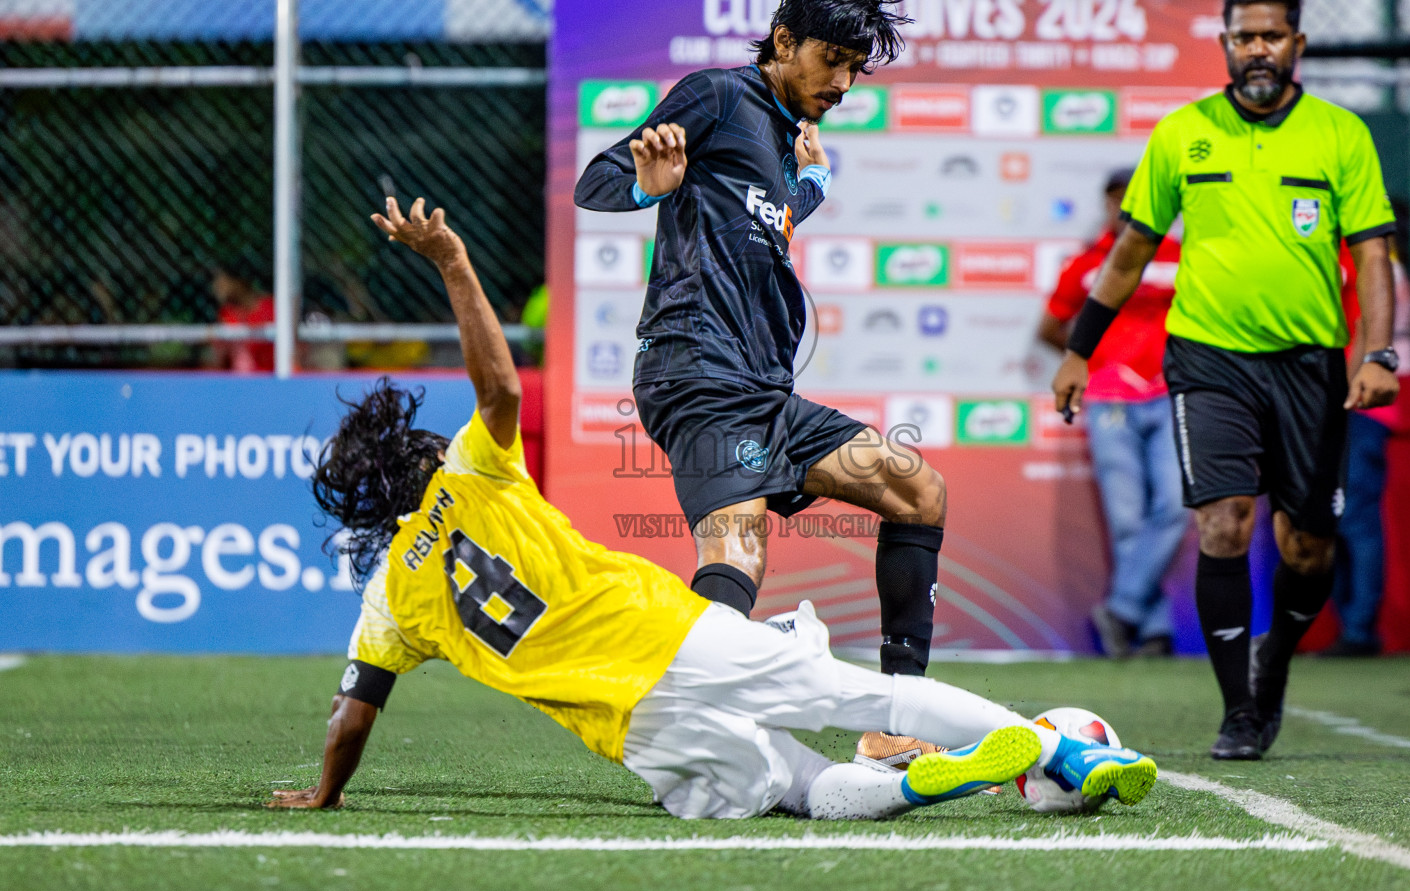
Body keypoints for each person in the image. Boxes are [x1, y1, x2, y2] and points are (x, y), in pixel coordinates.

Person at [267, 196, 1159, 819]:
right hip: (667, 638)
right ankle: (1064, 754)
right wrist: (454, 263)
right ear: (417, 457)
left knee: (804, 793)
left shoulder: (386, 600)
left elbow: (353, 716)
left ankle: (934, 784)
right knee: (871, 696)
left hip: (638, 735)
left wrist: (327, 792)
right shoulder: (469, 473)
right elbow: (500, 387)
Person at [574, 0, 954, 769]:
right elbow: (596, 180)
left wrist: (810, 182)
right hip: (695, 372)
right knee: (738, 552)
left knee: (917, 490)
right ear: (785, 39)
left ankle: (894, 724)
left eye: (856, 67)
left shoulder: (785, 135)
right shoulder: (715, 96)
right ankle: (679, 730)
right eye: (833, 60)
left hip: (765, 391)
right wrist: (647, 186)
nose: (845, 82)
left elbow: (767, 214)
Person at [1051, 0, 1400, 760]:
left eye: (1273, 36)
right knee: (1223, 525)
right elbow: (1130, 250)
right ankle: (1240, 708)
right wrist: (1081, 348)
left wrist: (1377, 353)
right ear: (1225, 46)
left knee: (1308, 547)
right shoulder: (1181, 134)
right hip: (1208, 360)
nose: (1258, 51)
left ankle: (1274, 655)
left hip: (1311, 365)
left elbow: (1373, 254)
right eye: (1244, 37)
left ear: (1297, 45)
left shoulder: (1341, 135)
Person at [1039, 167, 1187, 658]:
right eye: (1118, 203)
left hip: (1170, 391)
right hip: (1108, 397)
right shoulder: (1087, 264)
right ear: (1106, 205)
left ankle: (1122, 610)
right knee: (1128, 518)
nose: (1126, 212)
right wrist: (1090, 353)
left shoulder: (1183, 257)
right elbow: (1051, 326)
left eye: (1134, 202)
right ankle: (1154, 631)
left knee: (1175, 505)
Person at [1326, 218, 1410, 656]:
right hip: (1355, 401)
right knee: (1339, 516)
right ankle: (1353, 624)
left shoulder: (1381, 265)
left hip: (1360, 402)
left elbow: (1365, 329)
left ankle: (1361, 627)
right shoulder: (1373, 261)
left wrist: (1340, 396)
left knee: (1355, 516)